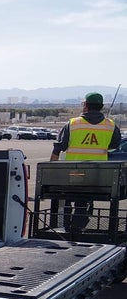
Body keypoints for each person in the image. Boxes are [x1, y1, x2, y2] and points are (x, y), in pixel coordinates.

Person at [49, 92, 122, 232]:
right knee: (84, 202)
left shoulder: (73, 124)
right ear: (101, 107)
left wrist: (51, 170)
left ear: (86, 106)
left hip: (72, 173)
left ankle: (67, 229)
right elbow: (114, 145)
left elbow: (58, 147)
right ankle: (78, 228)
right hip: (97, 175)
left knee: (67, 200)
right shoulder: (110, 125)